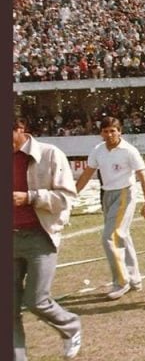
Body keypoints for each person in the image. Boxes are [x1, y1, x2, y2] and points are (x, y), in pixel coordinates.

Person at [13, 118, 83, 360]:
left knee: (36, 300)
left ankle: (70, 326)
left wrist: (30, 197)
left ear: (20, 128)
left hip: (40, 238)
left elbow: (65, 198)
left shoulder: (50, 154)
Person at [75, 116, 145, 299]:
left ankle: (120, 282)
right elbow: (87, 175)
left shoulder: (129, 151)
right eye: (105, 131)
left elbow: (142, 176)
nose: (109, 134)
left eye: (113, 130)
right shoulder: (98, 150)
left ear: (120, 132)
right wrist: (72, 195)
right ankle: (134, 279)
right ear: (101, 133)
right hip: (106, 195)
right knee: (122, 236)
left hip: (125, 193)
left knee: (110, 237)